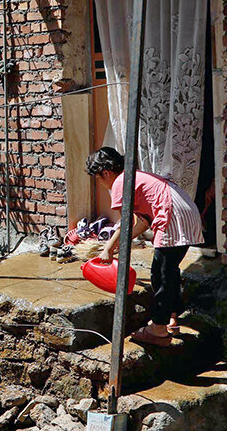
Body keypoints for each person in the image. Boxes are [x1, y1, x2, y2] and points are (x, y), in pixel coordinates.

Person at [85, 146, 204, 345]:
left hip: (173, 217)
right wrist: (117, 246)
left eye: (98, 177)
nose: (100, 182)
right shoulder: (135, 176)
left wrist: (107, 250)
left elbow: (125, 223)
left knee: (161, 274)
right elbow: (142, 223)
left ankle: (158, 328)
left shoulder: (121, 182)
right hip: (186, 213)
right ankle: (172, 320)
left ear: (105, 172)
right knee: (169, 270)